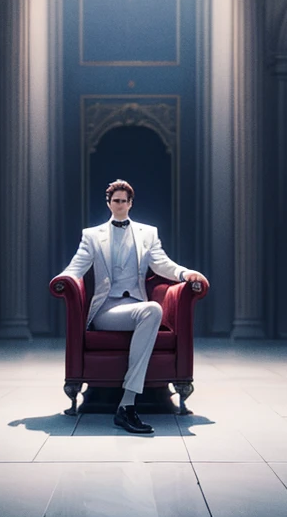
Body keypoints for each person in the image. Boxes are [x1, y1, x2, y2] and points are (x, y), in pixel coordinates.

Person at [59, 179, 209, 434]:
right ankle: (127, 406)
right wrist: (61, 281)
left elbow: (162, 264)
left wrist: (186, 274)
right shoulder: (92, 236)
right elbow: (76, 269)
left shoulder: (148, 233)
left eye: (124, 201)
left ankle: (126, 404)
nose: (120, 205)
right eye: (115, 201)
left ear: (130, 203)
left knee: (151, 310)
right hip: (107, 311)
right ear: (109, 203)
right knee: (152, 310)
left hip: (136, 306)